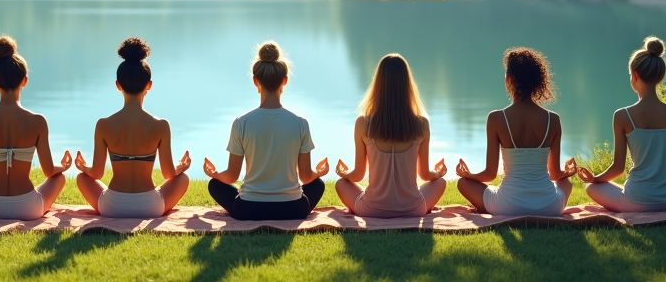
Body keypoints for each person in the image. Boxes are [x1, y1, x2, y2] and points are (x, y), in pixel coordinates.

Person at [204, 41, 328, 220]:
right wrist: (319, 172)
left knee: (214, 185)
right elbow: (307, 177)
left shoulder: (241, 123)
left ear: (255, 80)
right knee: (318, 184)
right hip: (294, 209)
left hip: (248, 209)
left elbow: (231, 175)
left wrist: (214, 174)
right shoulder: (300, 123)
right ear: (284, 80)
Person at [0, 36, 72, 220]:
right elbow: (49, 171)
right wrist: (63, 166)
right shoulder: (38, 121)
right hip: (29, 208)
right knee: (59, 177)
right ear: (25, 81)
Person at [75, 37, 192, 218]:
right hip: (150, 206)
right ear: (149, 85)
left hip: (111, 206)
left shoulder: (103, 125)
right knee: (182, 179)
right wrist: (181, 167)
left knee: (82, 178)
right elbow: (169, 174)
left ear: (118, 85)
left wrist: (84, 168)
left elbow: (96, 174)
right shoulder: (161, 126)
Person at [456, 47, 577, 216]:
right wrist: (568, 172)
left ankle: (489, 205)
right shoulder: (553, 119)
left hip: (507, 205)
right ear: (537, 81)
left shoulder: (496, 118)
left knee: (463, 183)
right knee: (567, 183)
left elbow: (490, 174)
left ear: (509, 79)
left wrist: (469, 175)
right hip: (549, 206)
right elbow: (556, 174)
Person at [578, 37, 666, 212]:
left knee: (591, 188)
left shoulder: (623, 116)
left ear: (635, 75)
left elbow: (618, 169)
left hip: (637, 201)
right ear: (659, 77)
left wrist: (594, 179)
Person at [334, 54, 447, 217]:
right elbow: (424, 174)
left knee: (341, 184)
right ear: (407, 85)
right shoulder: (421, 124)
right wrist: (438, 173)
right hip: (413, 209)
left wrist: (344, 174)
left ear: (378, 85)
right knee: (441, 183)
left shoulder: (363, 123)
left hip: (371, 210)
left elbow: (358, 174)